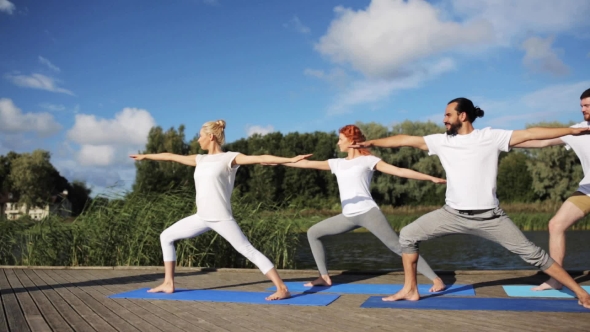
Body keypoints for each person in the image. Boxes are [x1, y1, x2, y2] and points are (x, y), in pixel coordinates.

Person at [353, 97, 590, 308]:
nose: (444, 119)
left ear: (462, 115)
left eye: (448, 114)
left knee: (535, 256)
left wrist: (572, 131)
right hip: (451, 214)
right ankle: (410, 289)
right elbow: (406, 140)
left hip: (490, 217)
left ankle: (581, 293)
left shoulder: (491, 136)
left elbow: (531, 134)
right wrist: (372, 142)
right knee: (407, 235)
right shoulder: (441, 141)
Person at [130, 119, 312, 300]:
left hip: (221, 217)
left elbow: (261, 158)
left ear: (210, 137)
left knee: (247, 250)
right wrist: (146, 156)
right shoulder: (199, 159)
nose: (197, 140)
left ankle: (282, 288)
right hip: (201, 216)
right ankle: (168, 283)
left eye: (200, 136)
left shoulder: (229, 158)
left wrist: (290, 159)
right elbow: (170, 156)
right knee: (166, 236)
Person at [278, 124, 447, 292]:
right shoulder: (337, 163)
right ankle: (324, 277)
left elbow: (399, 171)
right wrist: (277, 162)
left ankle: (436, 279)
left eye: (341, 139)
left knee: (397, 246)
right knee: (313, 232)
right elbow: (306, 164)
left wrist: (430, 178)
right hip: (348, 216)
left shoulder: (368, 160)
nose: (338, 143)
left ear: (351, 140)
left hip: (368, 213)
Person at [513, 88, 590, 291]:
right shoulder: (579, 130)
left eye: (587, 105)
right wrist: (507, 143)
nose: (583, 109)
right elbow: (543, 141)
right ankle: (557, 280)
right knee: (556, 224)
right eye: (581, 106)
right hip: (588, 190)